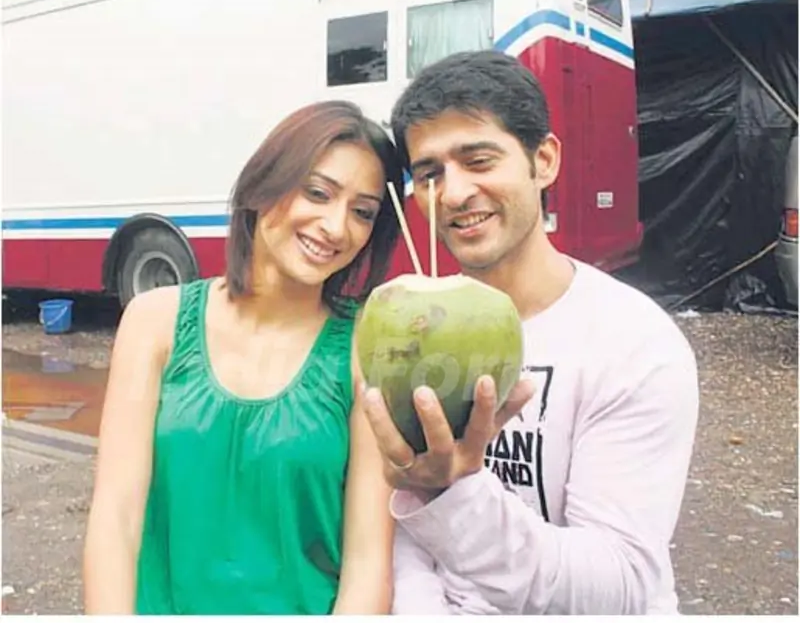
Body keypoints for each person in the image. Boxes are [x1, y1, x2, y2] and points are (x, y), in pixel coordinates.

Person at [362, 50, 700, 615]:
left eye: (479, 159)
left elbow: (618, 584)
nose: (452, 192)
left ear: (543, 160)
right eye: (429, 173)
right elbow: (404, 541)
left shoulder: (634, 343)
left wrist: (454, 490)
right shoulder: (409, 333)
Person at [82, 100, 407, 615]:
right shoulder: (153, 322)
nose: (335, 226)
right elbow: (116, 517)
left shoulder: (367, 347)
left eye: (362, 212)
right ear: (261, 187)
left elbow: (369, 562)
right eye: (317, 193)